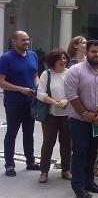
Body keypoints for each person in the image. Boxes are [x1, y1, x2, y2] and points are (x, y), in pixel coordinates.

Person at [64, 40, 98, 198]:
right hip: (79, 121)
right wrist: (85, 114)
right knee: (80, 152)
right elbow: (71, 95)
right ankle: (78, 186)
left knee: (93, 152)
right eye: (94, 52)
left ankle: (89, 181)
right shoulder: (75, 70)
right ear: (86, 52)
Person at [0, 31, 40, 177]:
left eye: (28, 39)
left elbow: (35, 75)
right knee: (12, 132)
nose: (26, 42)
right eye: (23, 40)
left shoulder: (33, 55)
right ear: (14, 41)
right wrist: (20, 89)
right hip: (13, 102)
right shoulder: (6, 58)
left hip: (30, 102)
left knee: (29, 133)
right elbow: (1, 81)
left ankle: (30, 161)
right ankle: (9, 165)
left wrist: (38, 87)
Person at [37, 49, 71, 183]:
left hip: (67, 114)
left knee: (67, 143)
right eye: (59, 59)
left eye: (64, 58)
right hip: (50, 114)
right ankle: (44, 171)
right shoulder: (47, 74)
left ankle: (66, 170)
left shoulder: (70, 73)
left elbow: (75, 90)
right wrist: (54, 102)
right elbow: (40, 93)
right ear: (52, 61)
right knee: (48, 143)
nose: (63, 61)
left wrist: (66, 100)